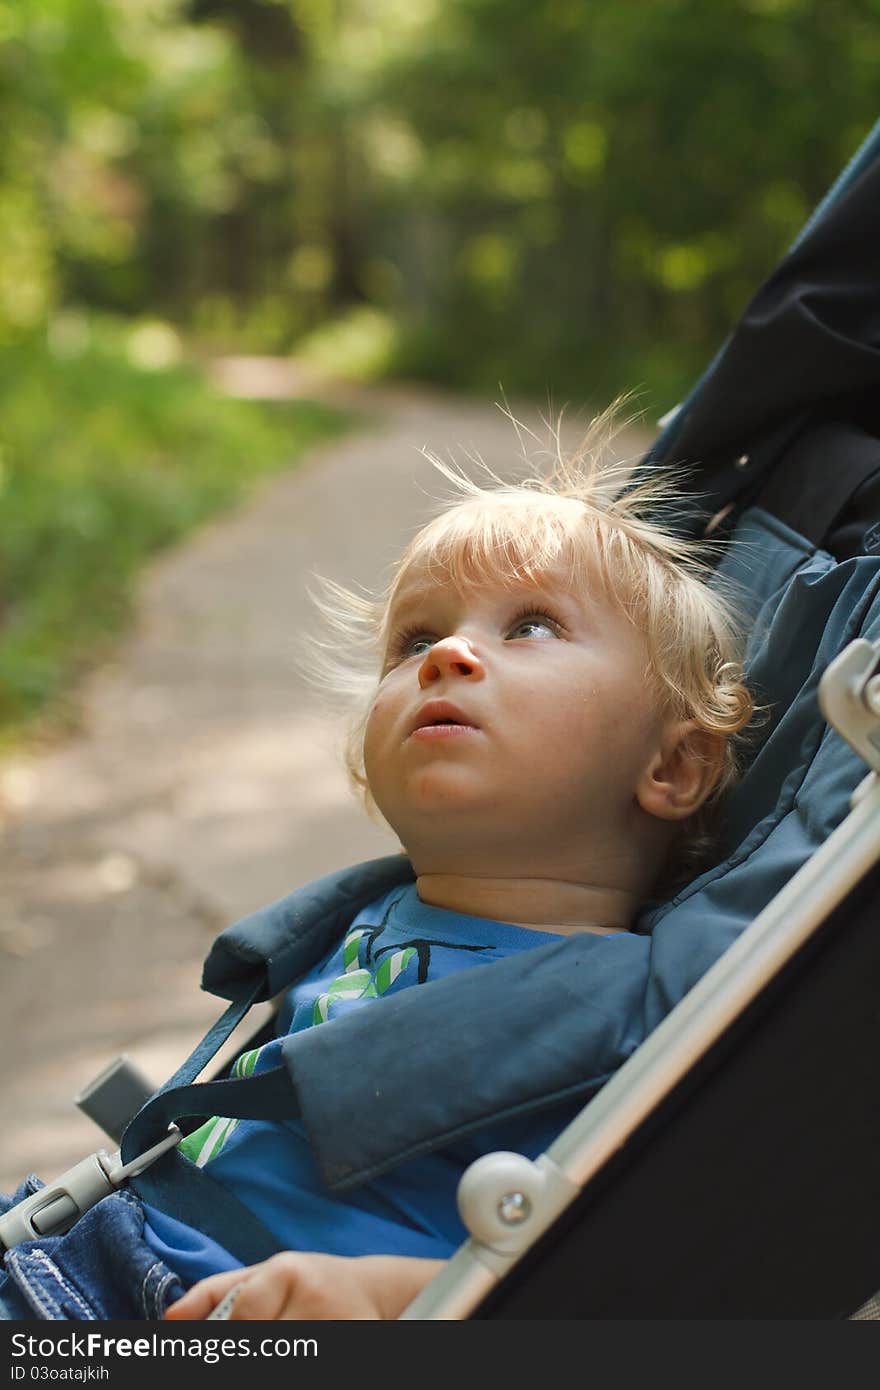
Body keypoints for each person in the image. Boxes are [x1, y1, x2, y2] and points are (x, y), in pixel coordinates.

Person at [0, 414, 756, 1321]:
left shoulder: (618, 1014)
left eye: (533, 626)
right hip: (88, 1240)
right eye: (412, 641)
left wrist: (392, 1302)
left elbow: (607, 1286)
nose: (447, 655)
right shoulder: (375, 910)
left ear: (670, 766)